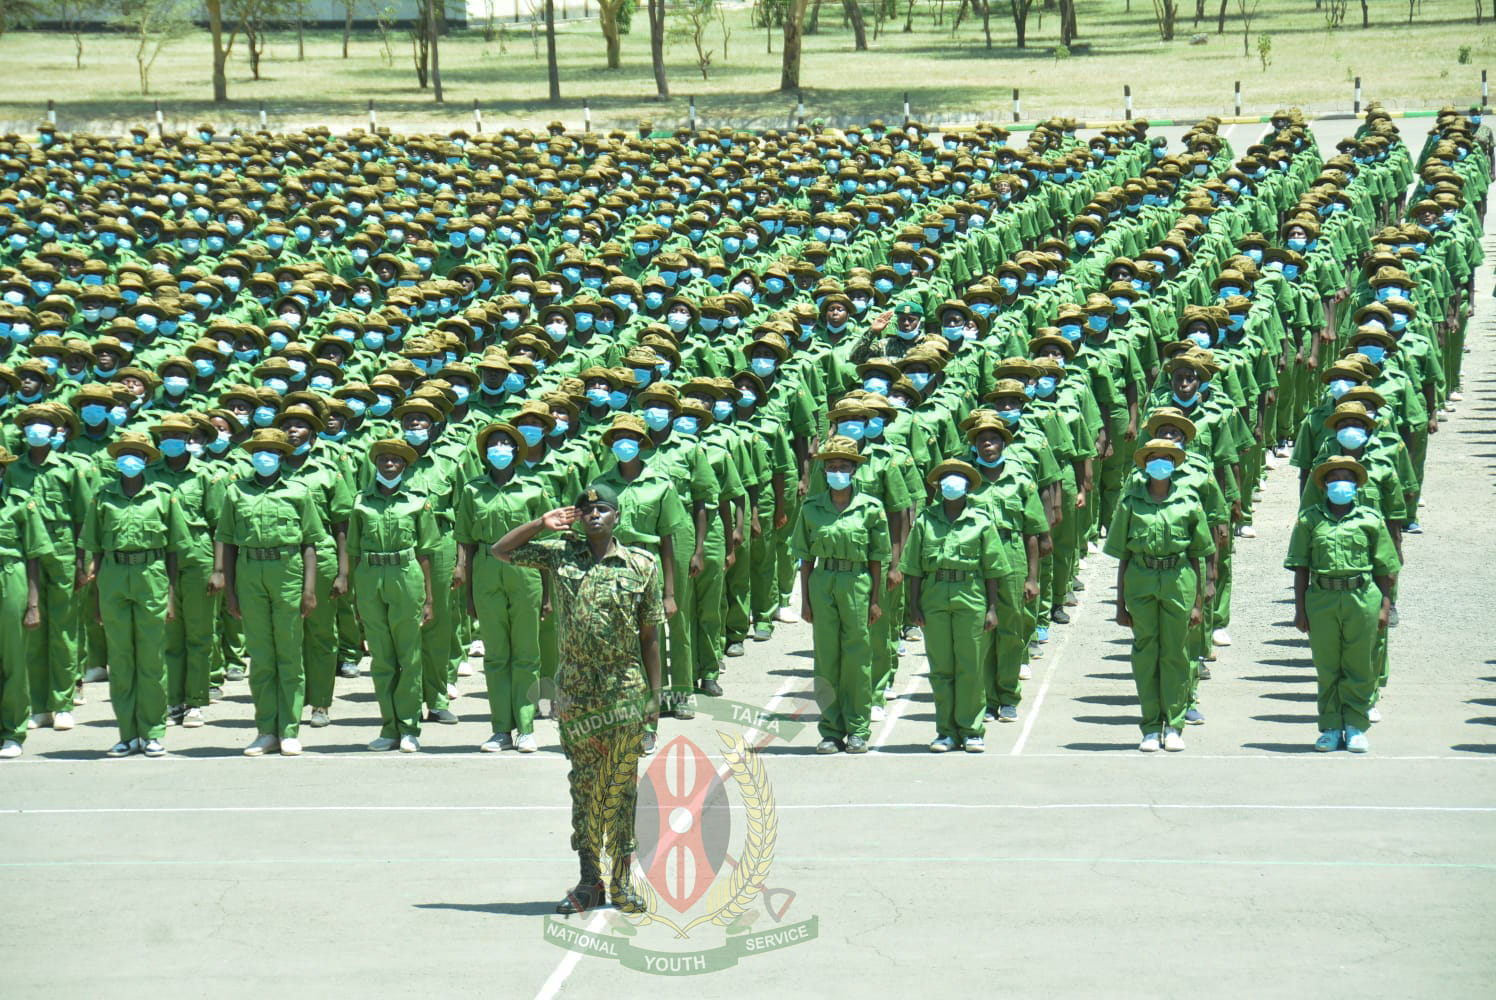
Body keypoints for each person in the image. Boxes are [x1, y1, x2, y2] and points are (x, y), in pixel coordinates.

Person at [492, 484, 664, 915]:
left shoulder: (642, 564)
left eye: (602, 509)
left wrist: (654, 700)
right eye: (585, 510)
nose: (593, 516)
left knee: (621, 788)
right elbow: (500, 550)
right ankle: (591, 882)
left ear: (616, 517)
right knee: (584, 787)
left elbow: (650, 636)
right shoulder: (559, 555)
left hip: (624, 694)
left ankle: (623, 881)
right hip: (576, 696)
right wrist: (540, 523)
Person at [210, 428, 325, 757]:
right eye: (259, 450)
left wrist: (309, 590)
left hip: (287, 570)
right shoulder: (236, 493)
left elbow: (309, 544)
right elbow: (228, 543)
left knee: (289, 654)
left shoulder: (298, 491)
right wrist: (231, 592)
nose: (264, 456)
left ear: (282, 456)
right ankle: (265, 730)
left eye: (272, 451)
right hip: (250, 571)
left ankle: (289, 729)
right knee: (261, 657)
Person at [81, 431, 188, 758]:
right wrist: (99, 596)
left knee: (152, 659)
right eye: (124, 453)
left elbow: (173, 550)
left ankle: (153, 732)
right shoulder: (103, 498)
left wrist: (170, 595)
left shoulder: (162, 496)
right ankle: (127, 734)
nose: (129, 459)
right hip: (113, 575)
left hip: (150, 573)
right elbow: (95, 549)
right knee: (121, 659)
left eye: (136, 454)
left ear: (145, 460)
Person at [1104, 438, 1214, 753]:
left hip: (1178, 578)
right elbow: (1123, 556)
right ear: (1145, 463)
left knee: (1176, 655)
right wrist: (1119, 604)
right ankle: (1151, 726)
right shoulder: (1131, 503)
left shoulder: (1189, 502)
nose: (1160, 464)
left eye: (1167, 458)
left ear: (1175, 464)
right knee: (1145, 656)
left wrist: (1197, 604)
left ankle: (1175, 724)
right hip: (1141, 580)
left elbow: (1198, 555)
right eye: (1154, 458)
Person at [1285, 456, 1401, 753]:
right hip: (1322, 597)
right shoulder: (1309, 519)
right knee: (1327, 667)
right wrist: (1300, 609)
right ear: (1324, 485)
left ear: (1355, 485)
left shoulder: (1370, 519)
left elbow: (1385, 569)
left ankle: (1355, 725)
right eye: (1334, 478)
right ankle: (1331, 727)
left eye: (1347, 479)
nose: (1341, 484)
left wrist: (1386, 605)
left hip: (1361, 597)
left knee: (1359, 664)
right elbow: (1301, 567)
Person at [791, 436, 891, 755]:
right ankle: (831, 729)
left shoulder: (871, 507)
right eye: (831, 466)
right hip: (823, 581)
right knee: (826, 658)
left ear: (853, 469)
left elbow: (878, 558)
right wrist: (805, 600)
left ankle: (858, 727)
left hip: (857, 581)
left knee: (858, 658)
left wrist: (875, 599)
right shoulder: (811, 508)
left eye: (843, 466)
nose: (837, 471)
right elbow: (805, 558)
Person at [453, 422, 548, 752]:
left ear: (516, 450)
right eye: (493, 444)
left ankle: (525, 727)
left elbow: (547, 543)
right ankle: (500, 729)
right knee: (496, 655)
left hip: (526, 567)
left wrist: (548, 594)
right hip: (486, 568)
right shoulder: (471, 491)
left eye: (506, 443)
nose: (499, 449)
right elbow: (464, 539)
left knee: (526, 653)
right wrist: (467, 589)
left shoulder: (534, 488)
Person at [901, 459, 1002, 753]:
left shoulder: (981, 521)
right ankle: (945, 731)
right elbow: (914, 568)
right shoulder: (925, 521)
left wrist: (992, 608)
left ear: (968, 485)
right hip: (934, 596)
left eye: (957, 478)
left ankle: (971, 730)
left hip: (970, 595)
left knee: (970, 665)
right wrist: (914, 606)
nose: (951, 483)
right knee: (941, 667)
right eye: (945, 478)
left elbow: (992, 569)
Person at [347, 438, 438, 753]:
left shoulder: (416, 501)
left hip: (405, 573)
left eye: (396, 460)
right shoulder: (360, 502)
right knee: (381, 658)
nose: (389, 463)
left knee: (409, 657)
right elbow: (354, 551)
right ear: (375, 463)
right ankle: (389, 726)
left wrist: (428, 598)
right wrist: (358, 595)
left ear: (404, 465)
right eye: (383, 458)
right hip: (371, 576)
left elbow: (426, 551)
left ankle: (410, 727)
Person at [0, 445, 49, 759]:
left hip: (9, 577)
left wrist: (33, 603)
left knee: (13, 660)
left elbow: (33, 556)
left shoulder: (20, 503)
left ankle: (13, 731)